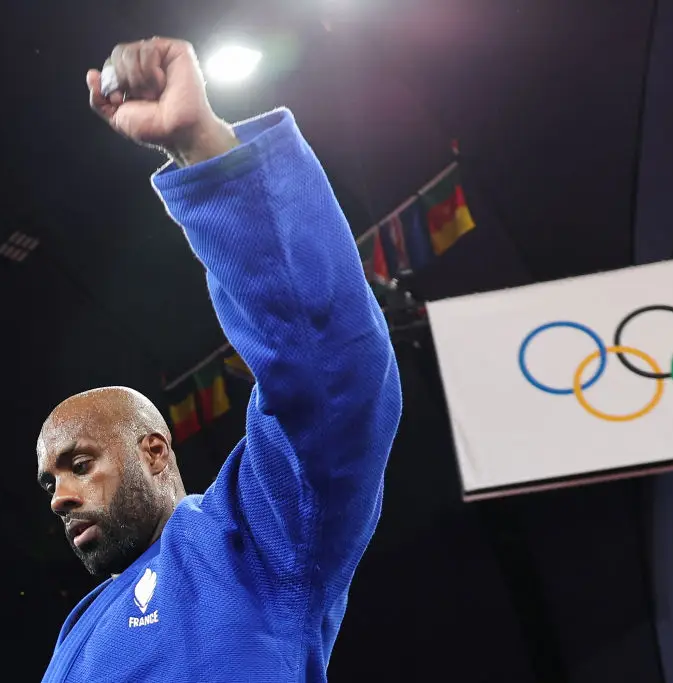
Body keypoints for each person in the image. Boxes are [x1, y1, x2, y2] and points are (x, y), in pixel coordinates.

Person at [35, 37, 402, 682]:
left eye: (80, 464)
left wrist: (201, 149)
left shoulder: (251, 540)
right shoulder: (78, 635)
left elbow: (324, 376)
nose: (62, 498)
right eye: (51, 484)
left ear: (153, 451)